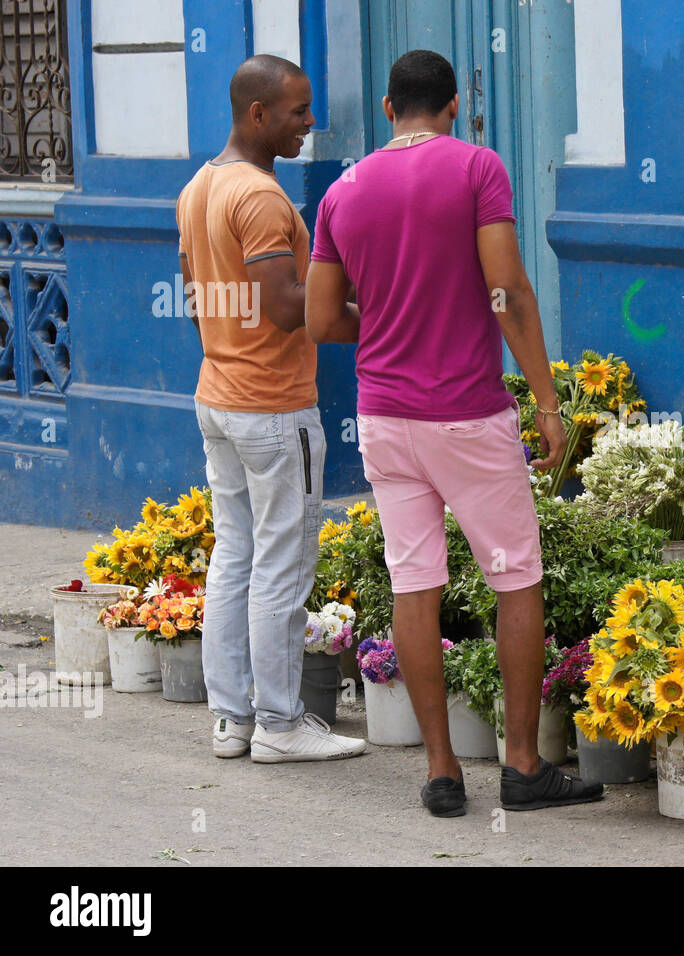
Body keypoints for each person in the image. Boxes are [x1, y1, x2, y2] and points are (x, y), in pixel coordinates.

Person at [305, 49, 603, 816]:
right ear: (454, 110)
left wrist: (387, 315)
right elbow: (507, 290)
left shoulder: (342, 191)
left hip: (384, 418)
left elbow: (319, 320)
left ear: (385, 107)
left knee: (416, 587)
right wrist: (544, 398)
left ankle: (441, 774)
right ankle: (523, 765)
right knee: (515, 580)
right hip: (467, 416)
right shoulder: (476, 168)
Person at [176, 55, 366, 762]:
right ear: (258, 114)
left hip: (219, 397)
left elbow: (196, 296)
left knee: (234, 556)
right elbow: (290, 309)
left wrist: (227, 350)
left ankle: (231, 721)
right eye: (298, 111)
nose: (310, 123)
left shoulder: (199, 186)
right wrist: (382, 316)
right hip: (273, 409)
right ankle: (280, 726)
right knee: (281, 563)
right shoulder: (256, 197)